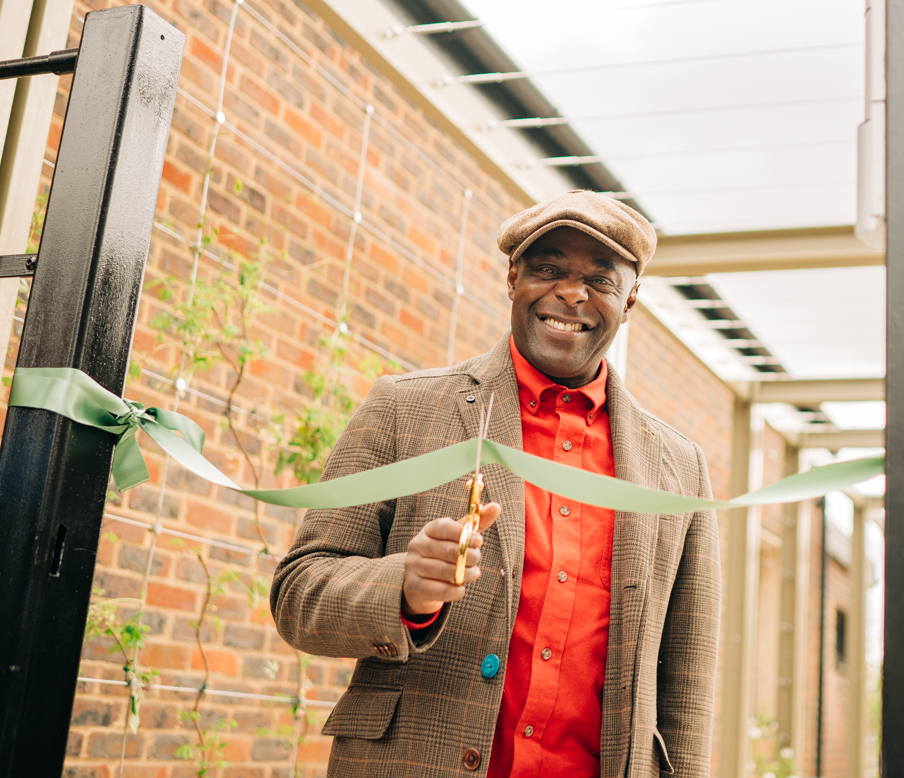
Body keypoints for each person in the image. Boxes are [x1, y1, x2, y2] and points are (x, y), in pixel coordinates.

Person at [271, 190, 721, 777]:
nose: (570, 293)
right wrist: (404, 586)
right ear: (513, 277)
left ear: (629, 300)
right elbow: (298, 594)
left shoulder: (678, 467)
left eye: (600, 280)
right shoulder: (405, 409)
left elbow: (687, 679)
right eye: (549, 269)